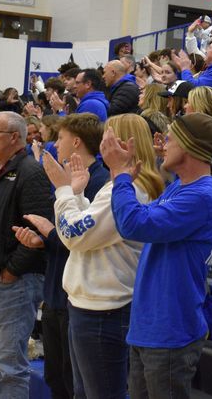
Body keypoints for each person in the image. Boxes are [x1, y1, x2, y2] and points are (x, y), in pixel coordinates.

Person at [34, 115, 163, 399]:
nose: (102, 143)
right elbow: (90, 228)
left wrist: (63, 190)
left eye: (107, 137)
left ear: (124, 144)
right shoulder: (122, 185)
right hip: (94, 304)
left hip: (104, 309)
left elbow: (74, 235)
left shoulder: (131, 187)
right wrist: (78, 194)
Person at [107, 113, 212, 399]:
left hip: (171, 330)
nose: (162, 145)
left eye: (169, 138)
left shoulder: (202, 197)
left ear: (187, 145)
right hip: (150, 326)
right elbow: (142, 217)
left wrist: (121, 177)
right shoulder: (180, 187)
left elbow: (134, 224)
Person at [0, 112, 54, 399]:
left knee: (9, 364)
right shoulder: (2, 171)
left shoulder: (30, 172)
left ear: (15, 137)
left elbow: (37, 229)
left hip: (14, 281)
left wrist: (11, 271)